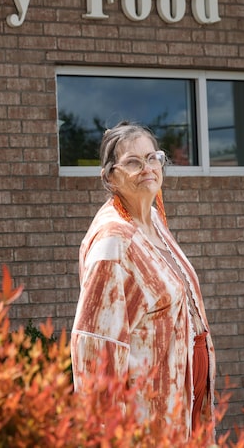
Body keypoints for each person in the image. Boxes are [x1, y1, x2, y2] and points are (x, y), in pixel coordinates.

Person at [71, 121, 216, 440]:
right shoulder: (113, 240)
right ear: (111, 176)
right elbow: (95, 346)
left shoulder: (152, 218)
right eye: (133, 162)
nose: (147, 168)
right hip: (147, 417)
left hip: (183, 403)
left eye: (152, 158)